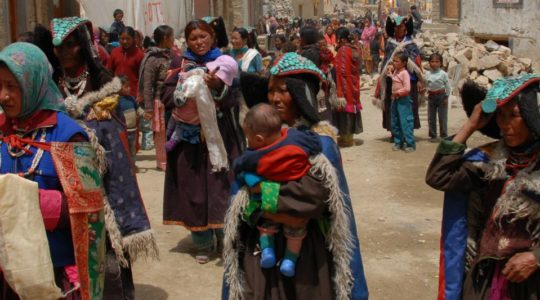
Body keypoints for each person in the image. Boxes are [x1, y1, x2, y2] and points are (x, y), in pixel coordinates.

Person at [223, 52, 369, 300]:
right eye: (271, 91)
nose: (275, 98)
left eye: (284, 91)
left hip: (307, 253)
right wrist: (257, 209)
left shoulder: (320, 145)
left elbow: (317, 200)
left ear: (302, 94)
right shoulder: (260, 138)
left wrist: (267, 201)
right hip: (261, 248)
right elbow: (239, 197)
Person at [50, 17, 158, 299]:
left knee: (105, 246)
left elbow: (115, 131)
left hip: (102, 177)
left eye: (71, 45)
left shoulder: (104, 84)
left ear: (83, 46)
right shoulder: (49, 84)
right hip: (59, 179)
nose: (64, 51)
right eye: (58, 46)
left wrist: (82, 127)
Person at [0, 42, 106, 300]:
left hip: (51, 273)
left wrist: (27, 204)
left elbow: (90, 215)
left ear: (33, 82)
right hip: (6, 271)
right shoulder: (2, 130)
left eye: (12, 87)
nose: (3, 95)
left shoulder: (68, 136)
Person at [426, 74, 540, 299]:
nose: (504, 125)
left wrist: (536, 257)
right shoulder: (490, 162)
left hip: (530, 284)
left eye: (513, 116)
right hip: (485, 280)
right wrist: (470, 125)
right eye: (500, 116)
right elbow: (439, 176)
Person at [161, 19, 244, 264]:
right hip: (189, 140)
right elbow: (165, 94)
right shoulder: (179, 63)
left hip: (220, 137)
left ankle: (225, 236)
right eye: (193, 38)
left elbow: (235, 98)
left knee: (221, 185)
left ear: (213, 38)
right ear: (187, 41)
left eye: (203, 37)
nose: (199, 42)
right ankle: (203, 242)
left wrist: (218, 86)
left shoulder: (225, 63)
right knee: (193, 187)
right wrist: (183, 93)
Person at [233, 103, 322, 277]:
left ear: (259, 139)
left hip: (270, 192)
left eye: (249, 139)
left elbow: (238, 166)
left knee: (266, 223)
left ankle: (267, 251)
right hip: (295, 188)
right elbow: (315, 142)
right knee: (296, 232)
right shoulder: (295, 137)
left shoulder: (256, 156)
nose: (248, 143)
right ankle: (290, 260)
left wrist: (240, 172)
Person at [375, 13, 423, 135]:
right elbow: (386, 60)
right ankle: (395, 132)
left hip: (409, 80)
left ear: (406, 28)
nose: (399, 29)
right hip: (393, 80)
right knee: (393, 107)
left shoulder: (411, 44)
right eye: (396, 27)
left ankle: (407, 133)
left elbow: (416, 63)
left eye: (401, 27)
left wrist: (419, 80)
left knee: (408, 108)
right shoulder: (390, 44)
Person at [138, 25, 175, 170]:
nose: (173, 40)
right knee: (161, 133)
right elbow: (147, 84)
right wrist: (148, 108)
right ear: (166, 39)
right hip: (159, 101)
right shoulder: (152, 58)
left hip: (172, 100)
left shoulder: (171, 55)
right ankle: (163, 162)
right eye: (172, 37)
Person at [333, 27, 363, 147]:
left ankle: (346, 139)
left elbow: (341, 71)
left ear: (341, 38)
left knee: (345, 110)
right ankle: (349, 137)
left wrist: (339, 89)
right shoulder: (354, 48)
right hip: (354, 83)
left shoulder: (343, 50)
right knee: (352, 109)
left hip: (345, 85)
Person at [388, 51, 415, 152]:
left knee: (405, 122)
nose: (394, 63)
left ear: (403, 63)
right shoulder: (396, 71)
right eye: (393, 61)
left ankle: (410, 144)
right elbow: (395, 80)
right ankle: (398, 142)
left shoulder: (404, 73)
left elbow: (407, 88)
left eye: (397, 61)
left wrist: (397, 92)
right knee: (395, 121)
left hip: (403, 100)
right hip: (395, 100)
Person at [107, 26, 144, 98]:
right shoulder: (115, 52)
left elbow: (143, 77)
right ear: (119, 38)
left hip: (133, 94)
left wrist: (141, 93)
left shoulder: (139, 55)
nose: (125, 41)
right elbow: (109, 72)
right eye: (122, 39)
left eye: (128, 39)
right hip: (116, 93)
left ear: (133, 39)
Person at [424, 53, 451, 142]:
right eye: (432, 61)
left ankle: (443, 135)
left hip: (442, 96)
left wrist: (446, 97)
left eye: (437, 61)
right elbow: (426, 84)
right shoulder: (427, 74)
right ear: (429, 63)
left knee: (442, 117)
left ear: (440, 63)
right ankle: (433, 135)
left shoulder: (443, 74)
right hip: (431, 97)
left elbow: (447, 86)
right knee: (431, 117)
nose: (434, 64)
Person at [118, 75, 143, 169]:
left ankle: (132, 165)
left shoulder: (131, 99)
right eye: (126, 86)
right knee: (123, 149)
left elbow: (138, 109)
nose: (129, 88)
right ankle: (124, 167)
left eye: (129, 86)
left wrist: (144, 114)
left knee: (132, 149)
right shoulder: (116, 101)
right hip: (122, 131)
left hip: (133, 130)